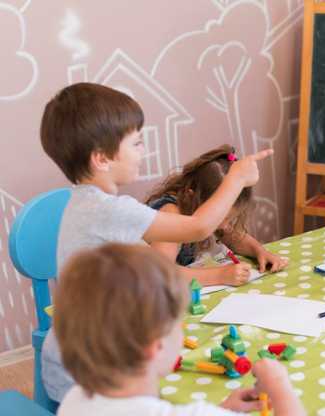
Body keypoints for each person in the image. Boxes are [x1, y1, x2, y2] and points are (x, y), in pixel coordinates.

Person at [39, 82, 272, 401]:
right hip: (86, 377)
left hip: (76, 357)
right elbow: (199, 227)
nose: (143, 151)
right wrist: (236, 178)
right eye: (136, 143)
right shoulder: (110, 211)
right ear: (102, 159)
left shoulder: (86, 204)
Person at [55, 243, 306, 416]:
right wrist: (279, 385)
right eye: (178, 324)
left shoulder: (74, 400)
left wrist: (223, 410)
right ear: (156, 347)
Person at [146, 145, 288, 285]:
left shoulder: (198, 207)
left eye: (229, 219)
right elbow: (161, 273)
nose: (225, 226)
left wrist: (260, 251)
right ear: (192, 196)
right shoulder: (170, 213)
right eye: (222, 218)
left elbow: (234, 238)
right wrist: (220, 275)